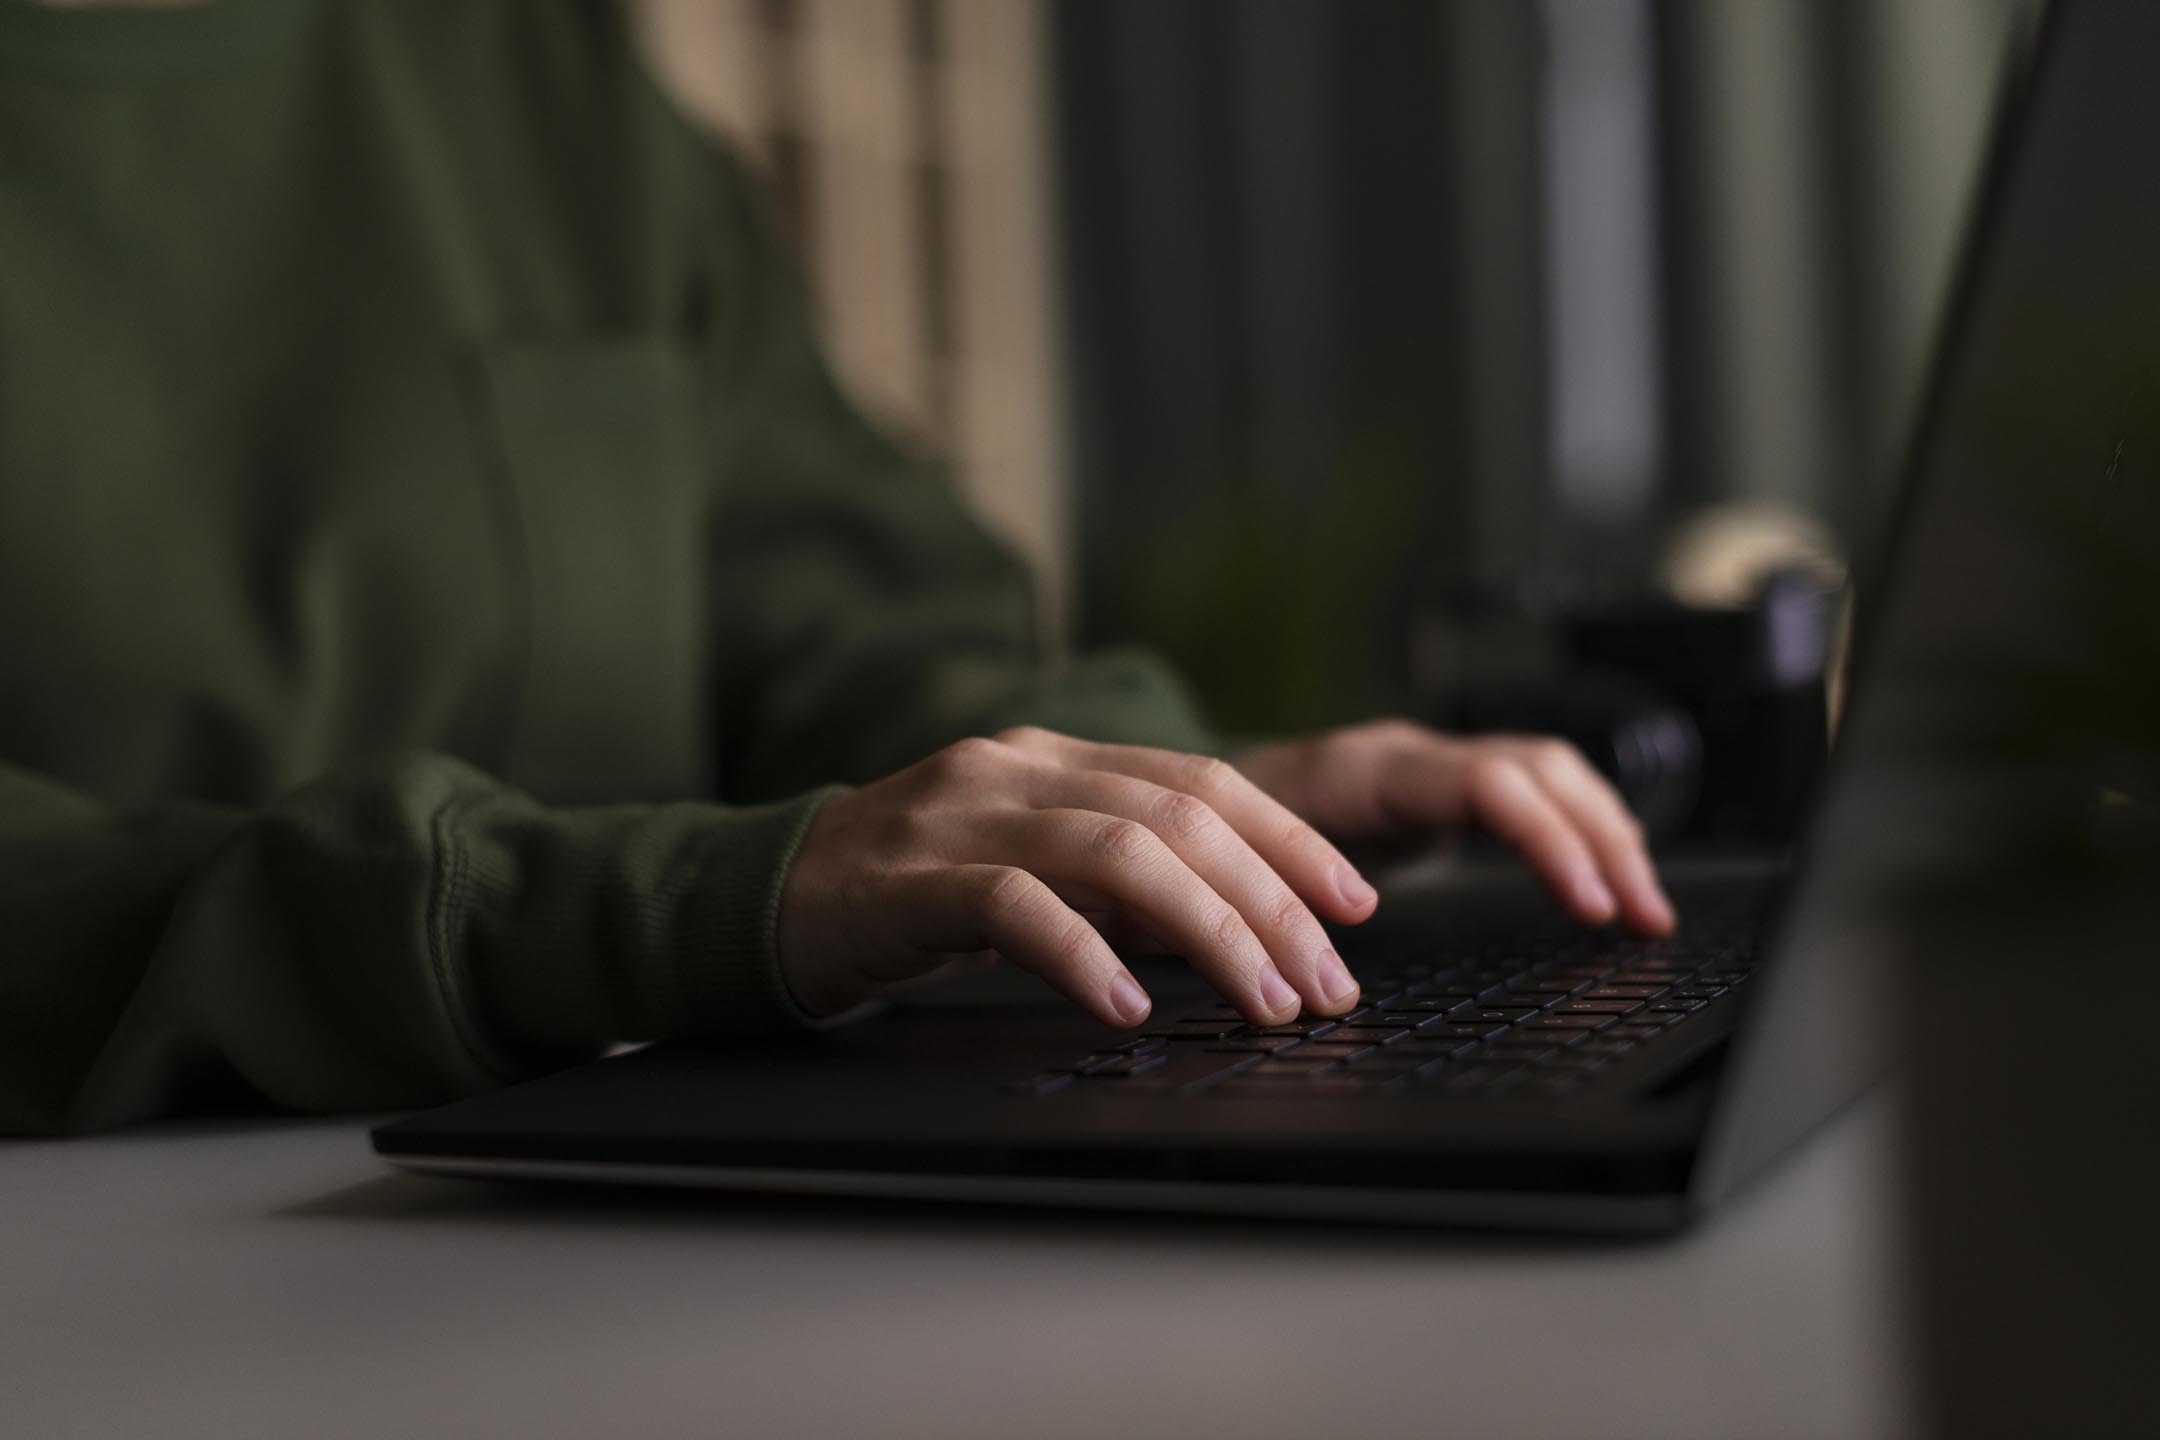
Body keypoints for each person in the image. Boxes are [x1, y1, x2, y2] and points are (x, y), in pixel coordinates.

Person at [0, 0, 1671, 1136]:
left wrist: (1130, 799)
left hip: (630, 1240)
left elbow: (862, 613)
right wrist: (689, 909)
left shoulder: (537, 81)